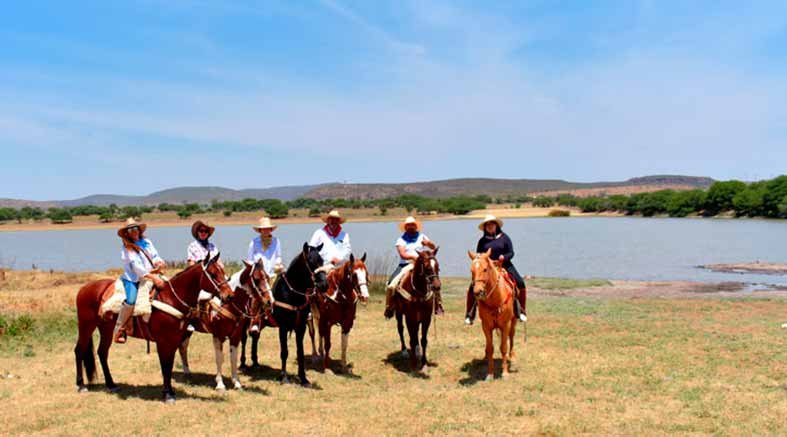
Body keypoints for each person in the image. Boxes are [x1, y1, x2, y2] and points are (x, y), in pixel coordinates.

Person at [465, 215, 527, 325]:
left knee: (520, 283)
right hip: (488, 269)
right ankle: (470, 313)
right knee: (472, 288)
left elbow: (511, 252)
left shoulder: (504, 237)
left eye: (492, 224)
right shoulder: (482, 241)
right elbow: (479, 256)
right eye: (487, 225)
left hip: (505, 265)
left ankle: (521, 311)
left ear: (496, 225)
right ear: (485, 228)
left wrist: (504, 257)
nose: (490, 226)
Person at [115, 218, 166, 343]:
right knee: (131, 300)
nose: (134, 231)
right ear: (126, 233)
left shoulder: (147, 242)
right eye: (130, 229)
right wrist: (153, 277)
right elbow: (137, 268)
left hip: (152, 274)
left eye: (135, 228)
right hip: (133, 279)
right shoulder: (127, 249)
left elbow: (154, 255)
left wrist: (159, 262)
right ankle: (119, 329)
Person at [384, 216, 442, 318]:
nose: (411, 227)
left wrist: (428, 243)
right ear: (405, 227)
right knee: (391, 285)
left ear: (416, 226)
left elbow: (433, 247)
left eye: (412, 225)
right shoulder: (400, 240)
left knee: (434, 280)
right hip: (406, 264)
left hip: (422, 265)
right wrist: (414, 257)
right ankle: (389, 307)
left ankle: (438, 305)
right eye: (408, 225)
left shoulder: (422, 236)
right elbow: (402, 254)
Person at [246, 217, 283, 332]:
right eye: (264, 229)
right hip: (258, 275)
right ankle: (255, 321)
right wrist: (256, 270)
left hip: (272, 273)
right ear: (260, 230)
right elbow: (249, 259)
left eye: (268, 229)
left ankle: (280, 316)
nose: (266, 231)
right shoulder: (254, 242)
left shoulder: (276, 241)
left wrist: (278, 264)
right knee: (256, 297)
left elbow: (278, 256)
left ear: (271, 230)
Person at [185, 220, 220, 332]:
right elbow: (191, 263)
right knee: (195, 297)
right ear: (197, 232)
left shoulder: (213, 246)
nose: (203, 233)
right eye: (201, 231)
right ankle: (190, 321)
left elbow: (218, 261)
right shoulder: (192, 246)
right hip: (199, 278)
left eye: (206, 231)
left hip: (213, 277)